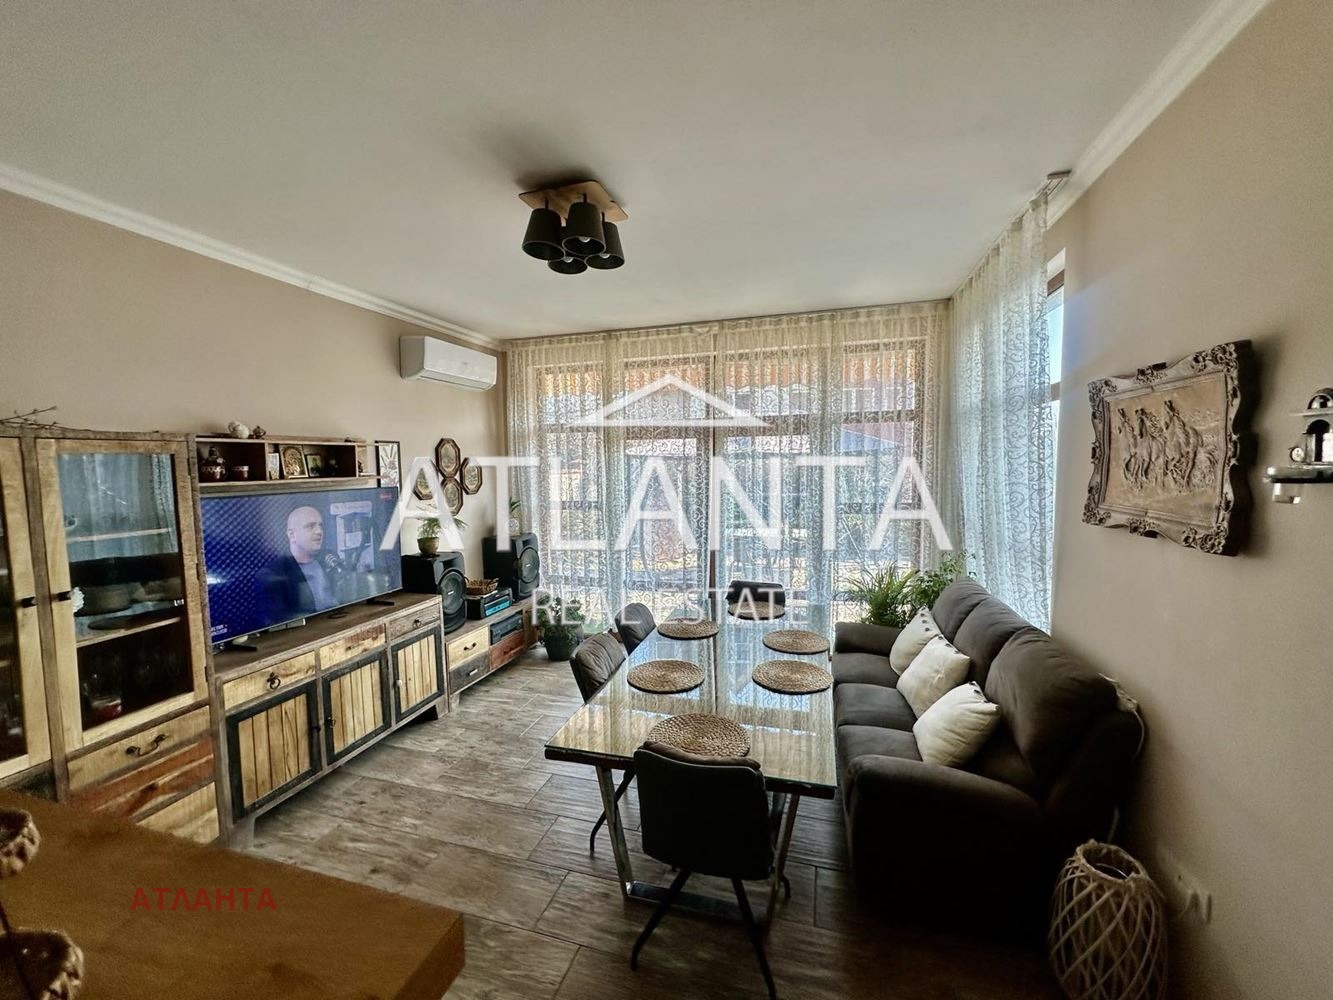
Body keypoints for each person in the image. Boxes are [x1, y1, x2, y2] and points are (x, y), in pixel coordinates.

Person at [265, 505, 342, 620]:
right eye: (310, 526)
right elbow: (274, 620)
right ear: (292, 535)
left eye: (320, 525)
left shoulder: (329, 558)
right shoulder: (273, 573)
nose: (319, 531)